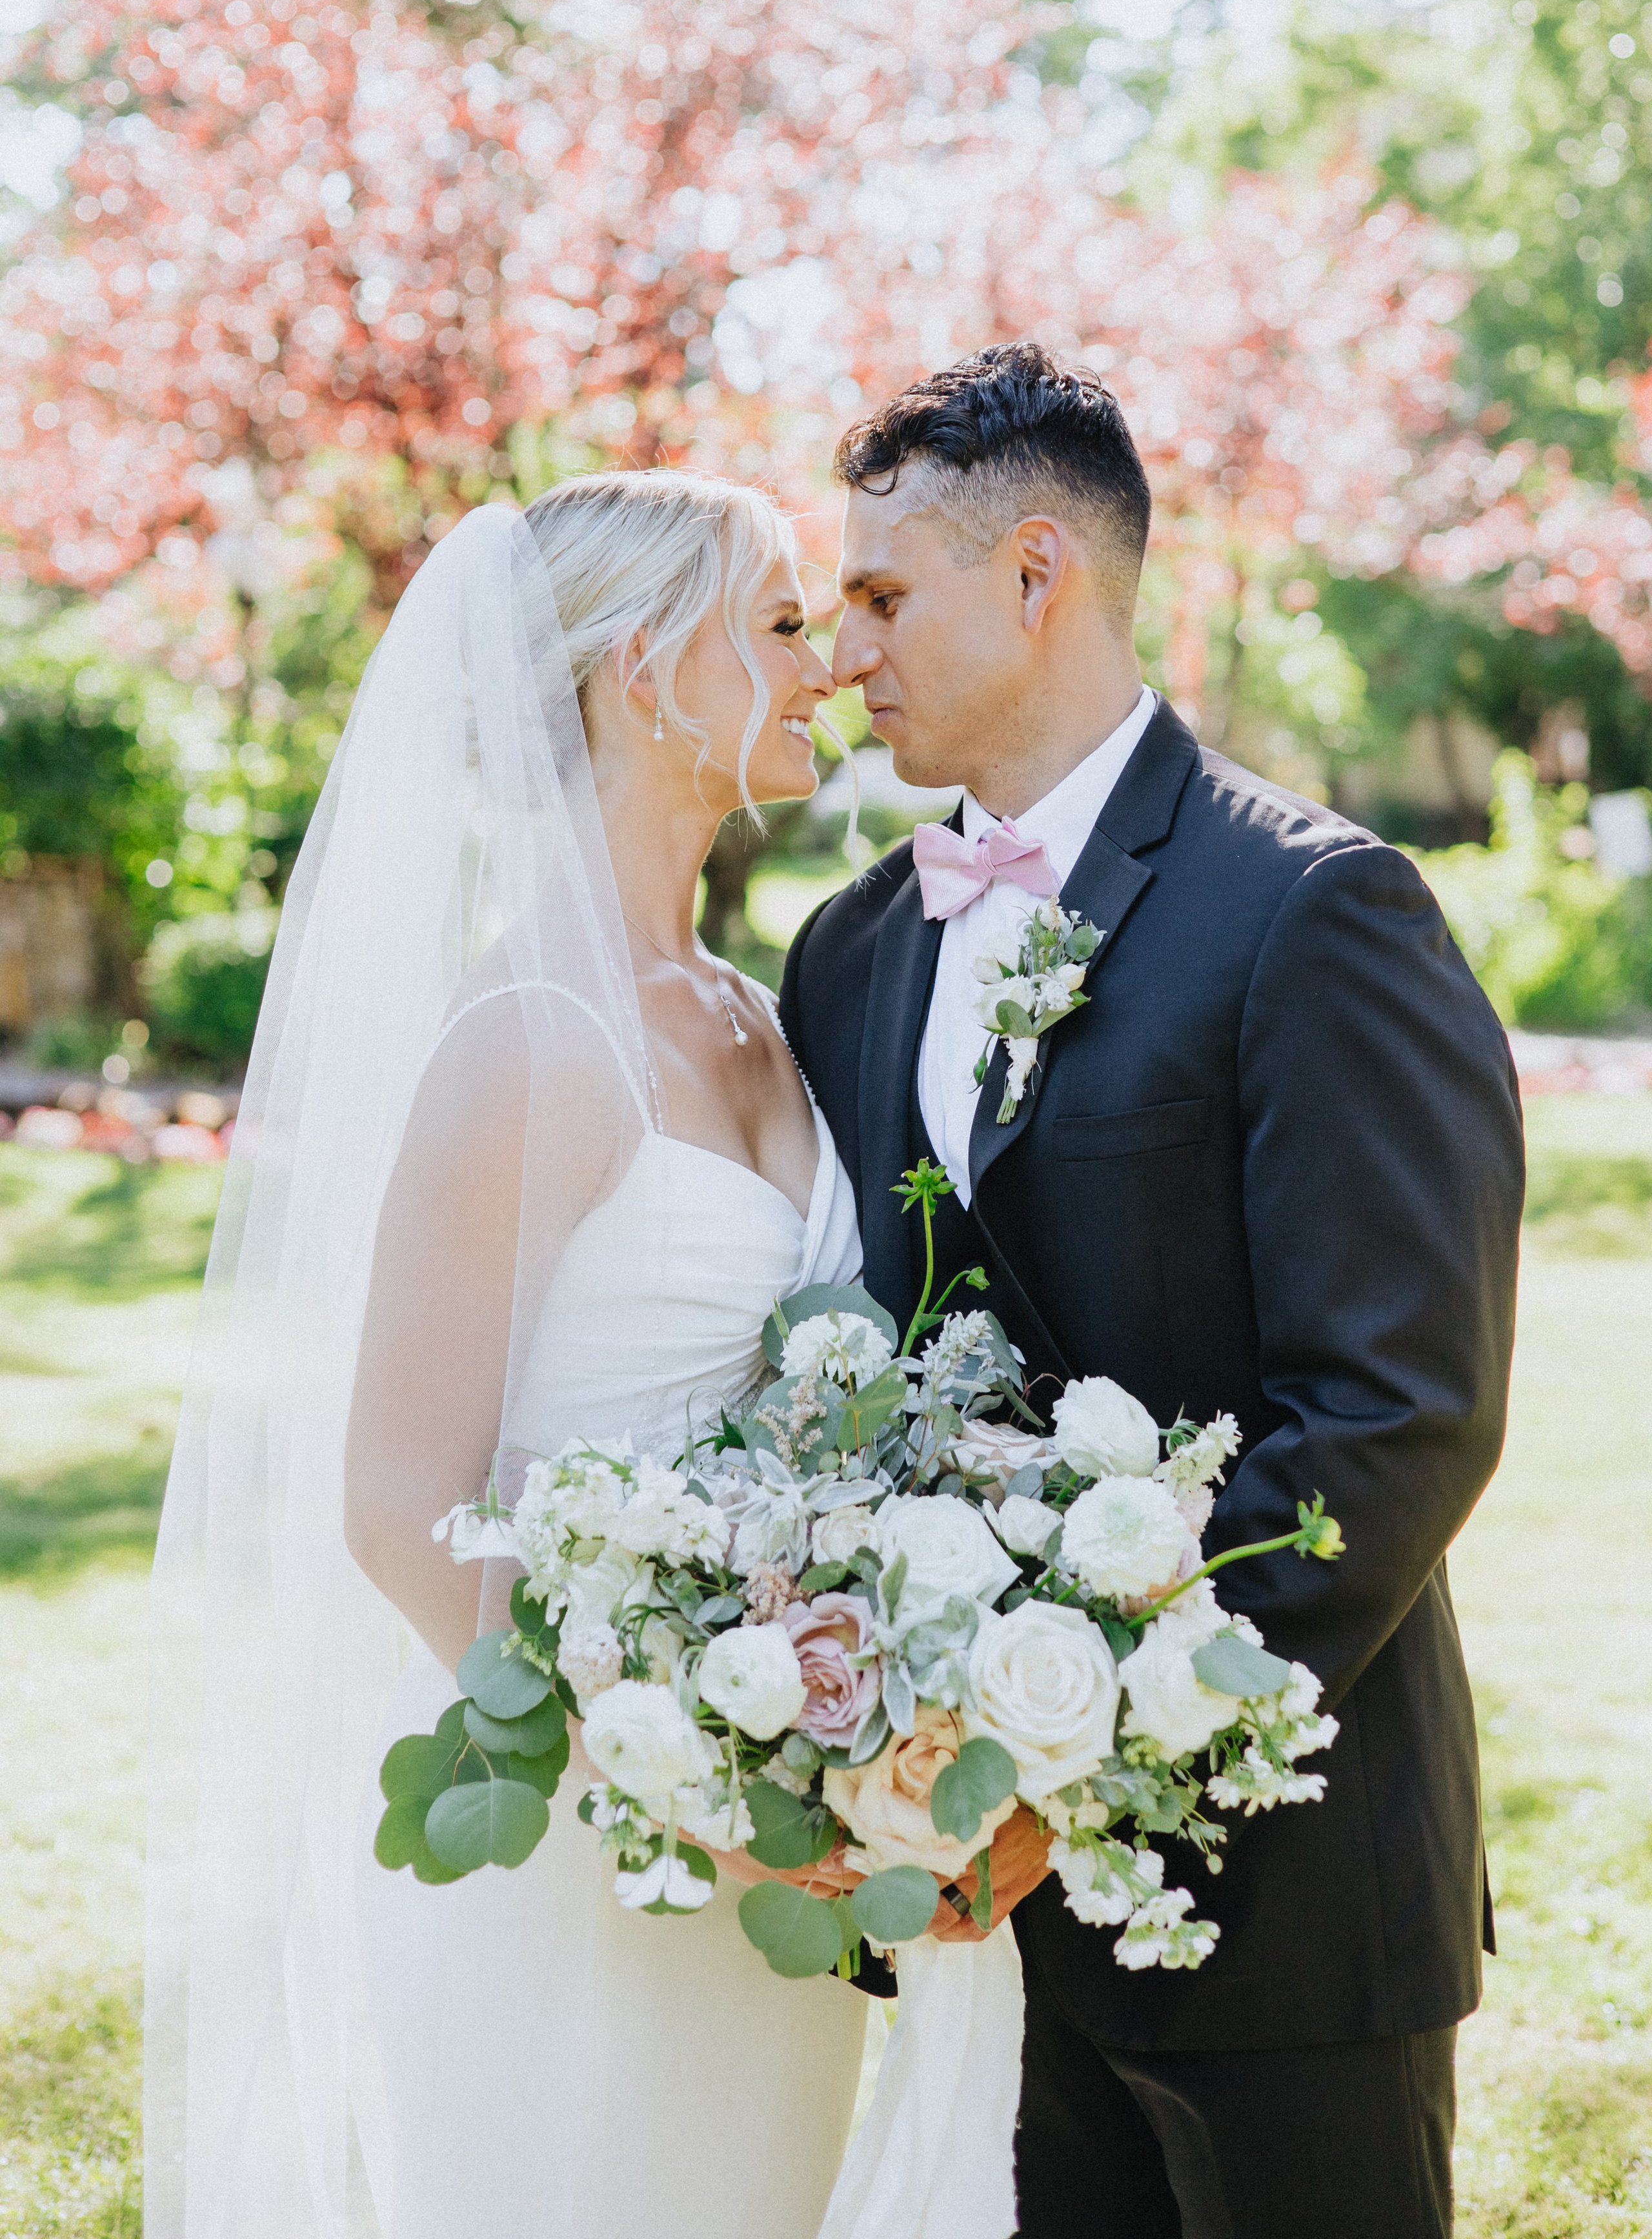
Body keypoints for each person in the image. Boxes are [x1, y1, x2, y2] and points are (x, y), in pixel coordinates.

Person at [781, 341, 1526, 2239]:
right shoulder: (853, 952)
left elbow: (1395, 1416)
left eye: (882, 595)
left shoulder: (1315, 909)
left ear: (1039, 576)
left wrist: (1078, 1763)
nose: (843, 651)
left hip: (1287, 1885)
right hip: (974, 1915)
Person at [146, 473, 871, 2239]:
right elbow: (400, 1503)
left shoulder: (756, 1008)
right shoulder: (535, 1035)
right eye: (778, 622)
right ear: (643, 672)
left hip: (782, 1811)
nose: (827, 661)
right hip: (579, 1834)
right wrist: (677, 1776)